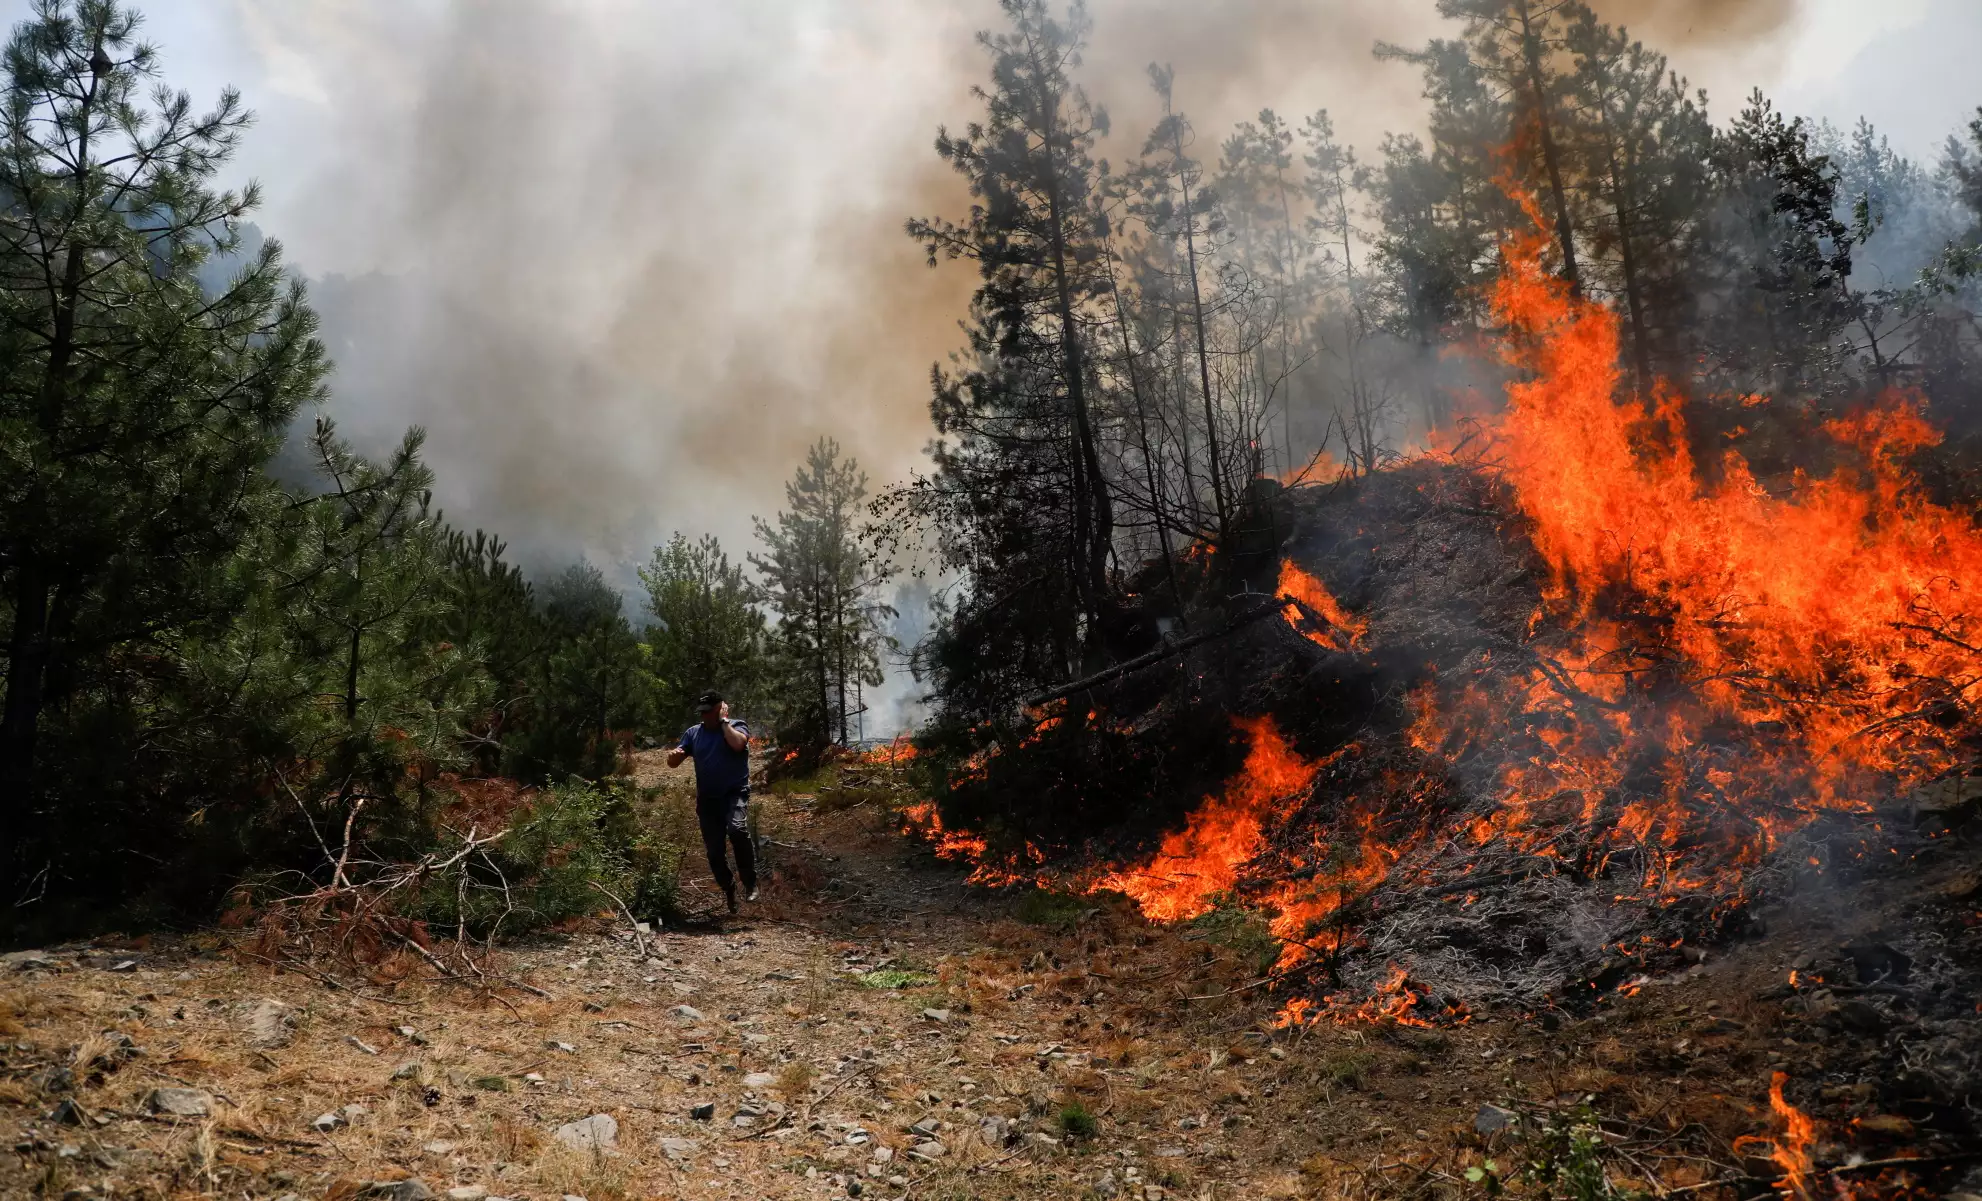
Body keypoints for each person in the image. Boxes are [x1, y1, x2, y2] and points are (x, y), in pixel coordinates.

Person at [667, 691, 757, 914]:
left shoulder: (736, 726)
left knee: (737, 829)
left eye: (710, 711)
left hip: (734, 793)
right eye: (702, 712)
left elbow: (738, 745)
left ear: (721, 709)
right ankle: (729, 889)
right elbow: (674, 762)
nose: (705, 716)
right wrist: (674, 755)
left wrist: (725, 722)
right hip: (708, 800)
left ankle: (750, 882)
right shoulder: (693, 733)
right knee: (714, 852)